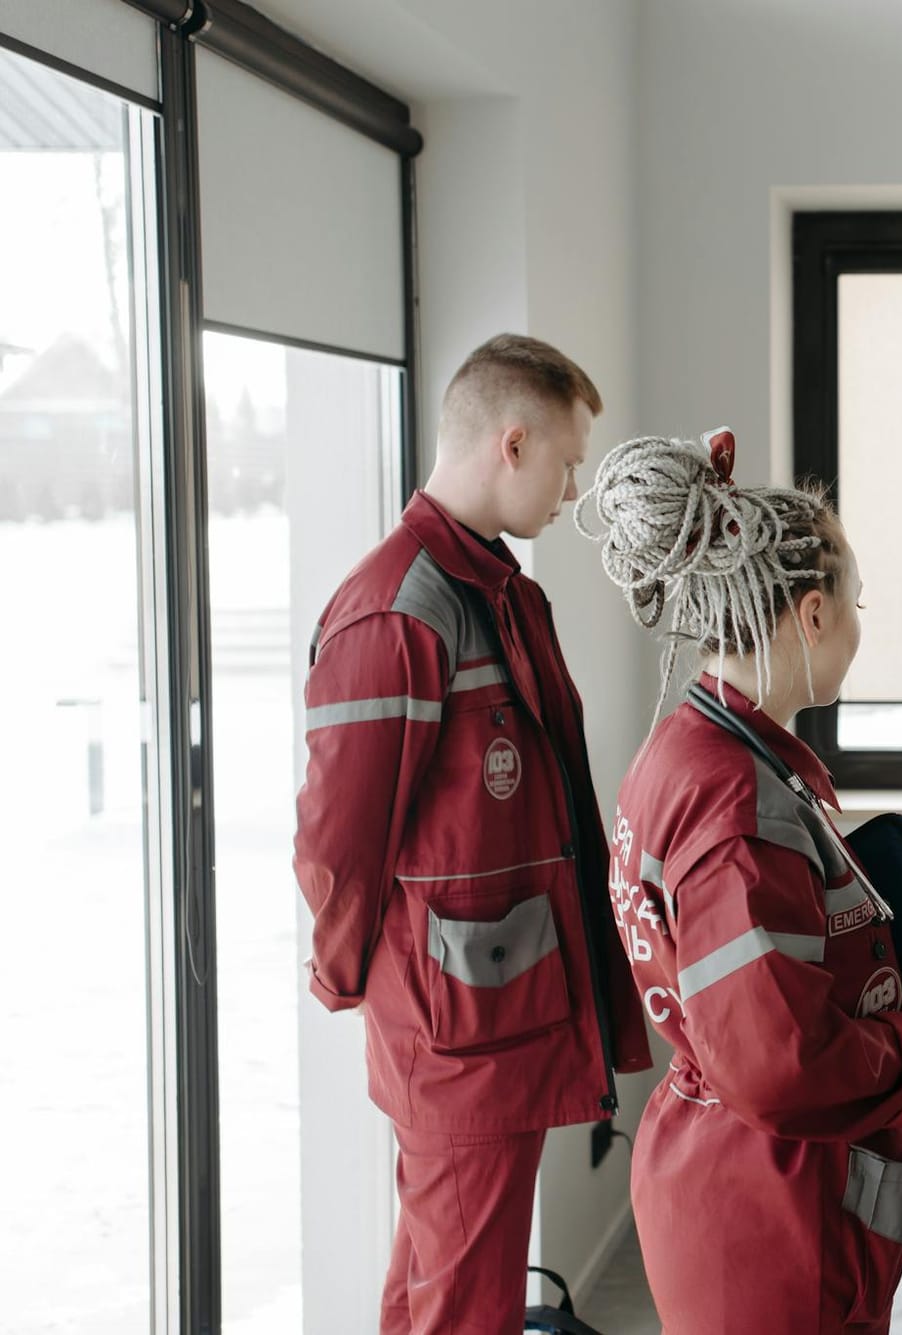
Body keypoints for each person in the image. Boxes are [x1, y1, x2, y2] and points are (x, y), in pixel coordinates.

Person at [576, 429, 902, 1334]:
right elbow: (774, 1063)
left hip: (742, 1173)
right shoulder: (733, 800)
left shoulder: (697, 748)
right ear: (811, 614)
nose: (860, 627)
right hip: (768, 1206)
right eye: (857, 603)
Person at [293, 334, 654, 1334]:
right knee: (464, 1309)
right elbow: (336, 840)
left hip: (496, 1017)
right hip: (457, 1034)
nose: (574, 487)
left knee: (433, 1296)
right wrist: (347, 977)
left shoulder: (499, 593)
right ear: (512, 442)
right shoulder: (395, 612)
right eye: (570, 460)